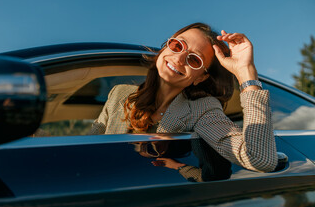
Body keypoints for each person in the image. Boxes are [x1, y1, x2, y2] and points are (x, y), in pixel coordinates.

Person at [89, 22, 277, 172]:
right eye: (177, 45)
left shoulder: (202, 109)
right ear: (165, 47)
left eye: (194, 59)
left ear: (200, 77)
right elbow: (89, 150)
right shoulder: (119, 93)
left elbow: (259, 158)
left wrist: (246, 72)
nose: (179, 59)